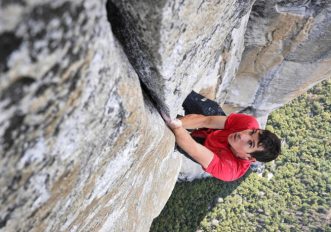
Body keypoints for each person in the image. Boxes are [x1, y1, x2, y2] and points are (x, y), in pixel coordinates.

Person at [166, 112, 281, 182]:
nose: (242, 135)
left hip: (207, 149)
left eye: (250, 143)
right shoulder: (248, 123)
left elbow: (194, 149)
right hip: (219, 130)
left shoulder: (230, 170)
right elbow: (207, 120)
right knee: (197, 102)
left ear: (250, 158)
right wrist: (175, 120)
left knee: (176, 139)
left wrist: (176, 127)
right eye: (252, 132)